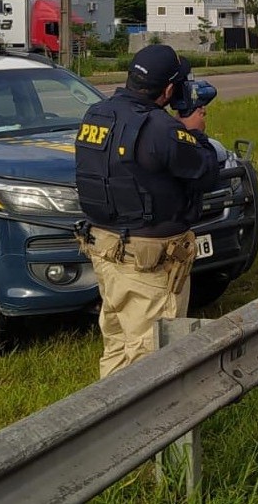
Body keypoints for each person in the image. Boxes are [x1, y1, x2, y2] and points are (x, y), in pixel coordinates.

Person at [74, 43, 220, 378]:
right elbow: (206, 172)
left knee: (117, 345)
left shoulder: (97, 115)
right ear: (169, 90)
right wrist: (194, 133)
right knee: (152, 360)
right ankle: (149, 428)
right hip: (149, 265)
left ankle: (108, 422)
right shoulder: (162, 130)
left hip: (107, 252)